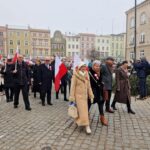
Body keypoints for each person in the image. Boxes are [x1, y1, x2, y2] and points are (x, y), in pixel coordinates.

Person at [69, 62, 94, 134]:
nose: (84, 68)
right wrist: (72, 97)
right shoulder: (75, 75)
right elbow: (72, 87)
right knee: (83, 111)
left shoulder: (86, 74)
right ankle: (87, 125)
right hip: (78, 96)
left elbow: (89, 86)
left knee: (82, 111)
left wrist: (91, 95)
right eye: (82, 67)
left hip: (85, 96)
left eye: (84, 67)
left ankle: (79, 121)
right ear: (79, 67)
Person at [88, 60, 108, 126]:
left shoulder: (100, 72)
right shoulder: (89, 72)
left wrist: (102, 83)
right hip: (92, 91)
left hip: (99, 91)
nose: (98, 67)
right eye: (96, 66)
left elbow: (101, 80)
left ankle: (102, 118)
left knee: (101, 103)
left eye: (99, 66)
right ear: (93, 66)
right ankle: (86, 117)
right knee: (89, 104)